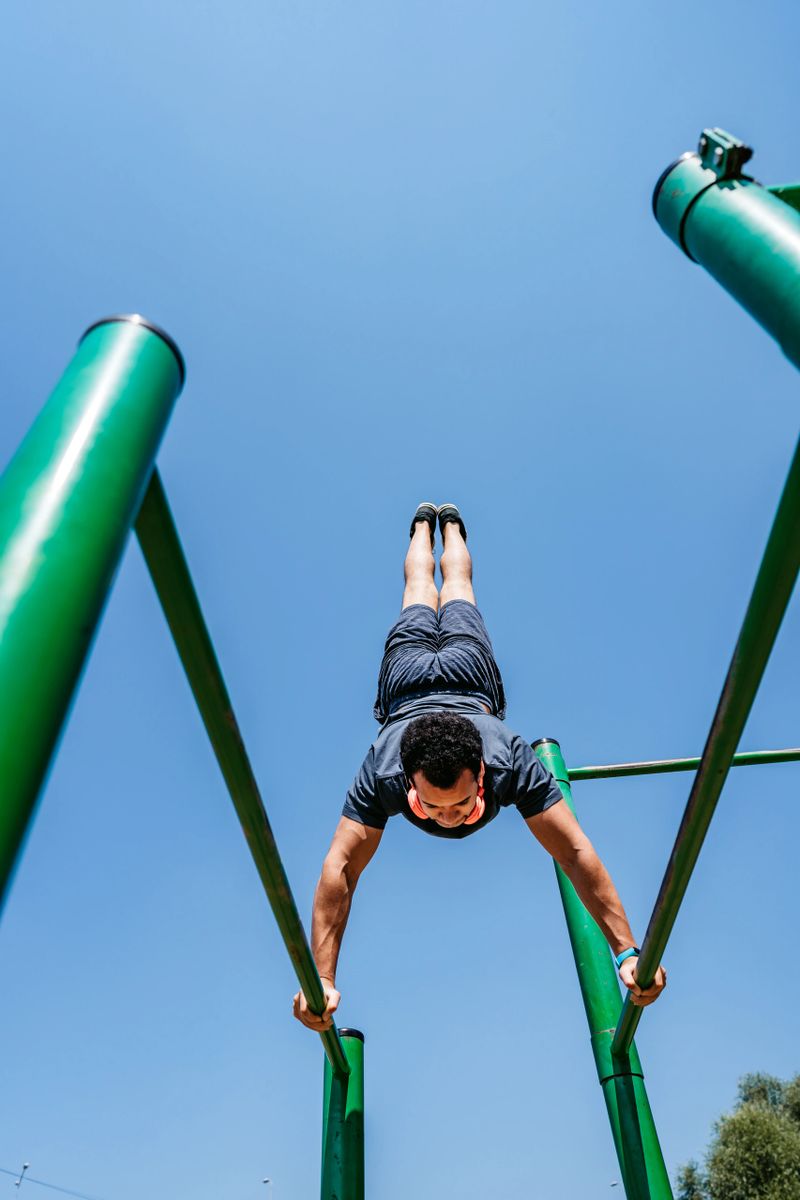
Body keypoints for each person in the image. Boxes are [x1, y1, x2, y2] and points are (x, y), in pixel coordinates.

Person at [293, 503, 666, 1031]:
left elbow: (574, 850)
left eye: (460, 804)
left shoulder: (509, 757)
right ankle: (433, 526)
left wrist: (627, 951)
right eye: (433, 805)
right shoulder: (384, 769)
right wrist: (322, 979)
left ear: (484, 777)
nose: (446, 817)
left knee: (438, 589)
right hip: (416, 690)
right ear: (408, 783)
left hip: (458, 683)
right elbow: (340, 870)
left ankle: (440, 527)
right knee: (435, 587)